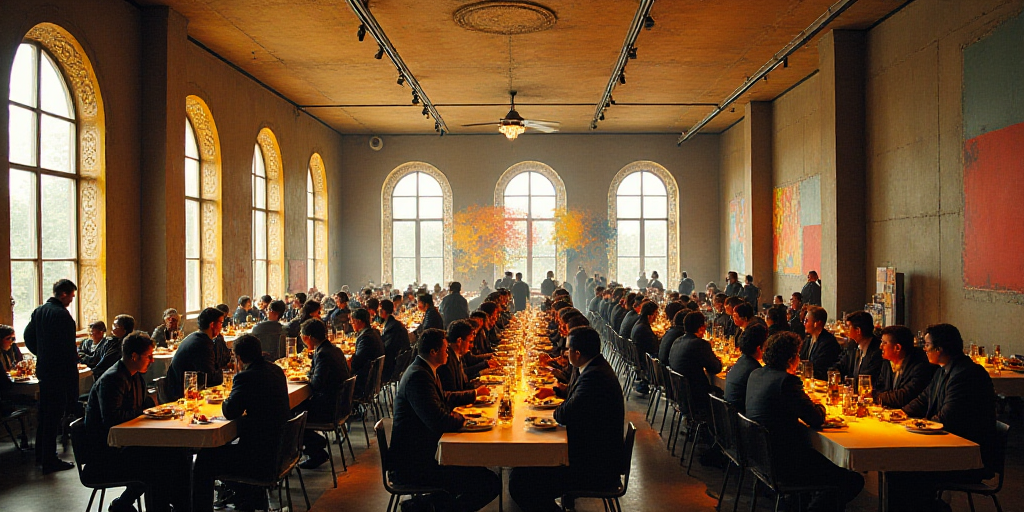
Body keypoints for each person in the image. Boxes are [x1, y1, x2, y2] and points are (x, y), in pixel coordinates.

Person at [745, 332, 864, 511]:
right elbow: (815, 419)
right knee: (852, 479)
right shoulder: (786, 381)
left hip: (761, 458)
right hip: (785, 464)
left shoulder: (756, 374)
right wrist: (820, 406)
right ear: (792, 358)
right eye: (798, 355)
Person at [510, 327, 624, 512]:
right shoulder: (594, 367)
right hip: (594, 453)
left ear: (577, 353)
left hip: (596, 467)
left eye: (568, 348)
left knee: (520, 481)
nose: (565, 352)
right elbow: (574, 399)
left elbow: (565, 414)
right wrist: (558, 394)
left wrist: (556, 407)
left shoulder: (594, 377)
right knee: (522, 470)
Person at [389, 329, 501, 512]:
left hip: (423, 452)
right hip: (415, 464)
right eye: (445, 349)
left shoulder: (425, 369)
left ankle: (428, 505)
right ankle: (433, 507)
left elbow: (445, 397)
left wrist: (472, 395)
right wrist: (463, 418)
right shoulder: (418, 376)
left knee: (482, 472)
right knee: (489, 481)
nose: (448, 352)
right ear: (433, 352)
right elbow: (439, 421)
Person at [889, 324, 997, 511]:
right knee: (897, 468)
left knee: (903, 471)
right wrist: (900, 413)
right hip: (949, 447)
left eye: (927, 345)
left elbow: (947, 418)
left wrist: (915, 424)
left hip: (967, 455)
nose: (924, 349)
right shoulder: (943, 369)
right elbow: (924, 399)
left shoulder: (965, 374)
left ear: (940, 349)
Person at [84, 332, 189, 512]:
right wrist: (144, 412)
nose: (153, 360)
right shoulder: (113, 379)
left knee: (177, 454)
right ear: (134, 356)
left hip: (129, 443)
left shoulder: (134, 376)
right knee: (160, 462)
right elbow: (112, 419)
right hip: (106, 453)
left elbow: (144, 404)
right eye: (149, 356)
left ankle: (178, 505)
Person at [192, 335, 290, 512]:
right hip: (281, 450)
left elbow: (231, 411)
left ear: (239, 358)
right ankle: (249, 496)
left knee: (205, 459)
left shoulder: (246, 377)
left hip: (260, 459)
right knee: (222, 448)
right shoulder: (275, 370)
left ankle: (201, 508)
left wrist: (226, 397)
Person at [24, 279, 79, 472]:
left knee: (45, 414)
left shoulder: (39, 311)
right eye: (71, 296)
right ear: (63, 294)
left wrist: (42, 353)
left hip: (44, 369)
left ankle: (41, 455)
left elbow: (28, 336)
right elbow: (69, 350)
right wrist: (73, 383)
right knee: (54, 416)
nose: (72, 300)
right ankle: (50, 459)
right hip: (60, 371)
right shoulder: (63, 316)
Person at [296, 319, 351, 469]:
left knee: (293, 415)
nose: (302, 338)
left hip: (329, 408)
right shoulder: (334, 349)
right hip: (340, 404)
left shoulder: (323, 354)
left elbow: (316, 384)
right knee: (297, 407)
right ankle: (316, 445)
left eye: (303, 336)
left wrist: (307, 378)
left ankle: (316, 450)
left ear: (311, 337)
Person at [668, 311, 722, 419]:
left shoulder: (677, 341)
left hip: (678, 393)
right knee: (722, 393)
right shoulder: (699, 344)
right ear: (701, 327)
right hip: (695, 395)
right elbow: (716, 368)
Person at [165, 307, 225, 401]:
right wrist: (226, 374)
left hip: (178, 388)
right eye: (221, 323)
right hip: (182, 395)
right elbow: (210, 378)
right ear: (212, 324)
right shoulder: (202, 344)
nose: (222, 326)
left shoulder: (195, 337)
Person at [874, 325, 936, 409]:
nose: (880, 346)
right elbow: (880, 387)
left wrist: (875, 396)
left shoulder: (919, 364)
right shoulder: (887, 362)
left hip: (911, 415)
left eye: (884, 343)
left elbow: (904, 396)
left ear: (897, 348)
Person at [836, 311, 884, 390]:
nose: (846, 331)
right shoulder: (852, 346)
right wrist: (832, 373)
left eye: (848, 327)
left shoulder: (878, 350)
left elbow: (867, 380)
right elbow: (841, 365)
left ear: (858, 330)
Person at [725, 325, 767, 414]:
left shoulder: (740, 362)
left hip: (728, 419)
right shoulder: (755, 371)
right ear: (759, 348)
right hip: (741, 422)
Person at [349, 308, 384, 399]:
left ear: (359, 322)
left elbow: (356, 364)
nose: (352, 325)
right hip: (373, 378)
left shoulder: (366, 338)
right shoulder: (374, 332)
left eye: (352, 322)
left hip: (365, 382)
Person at [799, 306, 840, 381]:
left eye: (806, 321)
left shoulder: (828, 342)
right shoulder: (808, 339)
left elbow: (819, 367)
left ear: (817, 323)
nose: (804, 324)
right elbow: (801, 358)